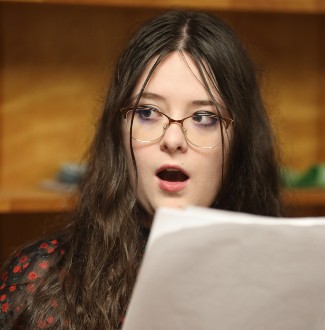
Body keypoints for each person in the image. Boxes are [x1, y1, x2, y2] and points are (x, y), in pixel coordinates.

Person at [0, 9, 282, 329]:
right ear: (117, 131)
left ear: (240, 140)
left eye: (204, 117)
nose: (173, 139)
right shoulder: (40, 281)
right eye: (148, 112)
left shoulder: (289, 284)